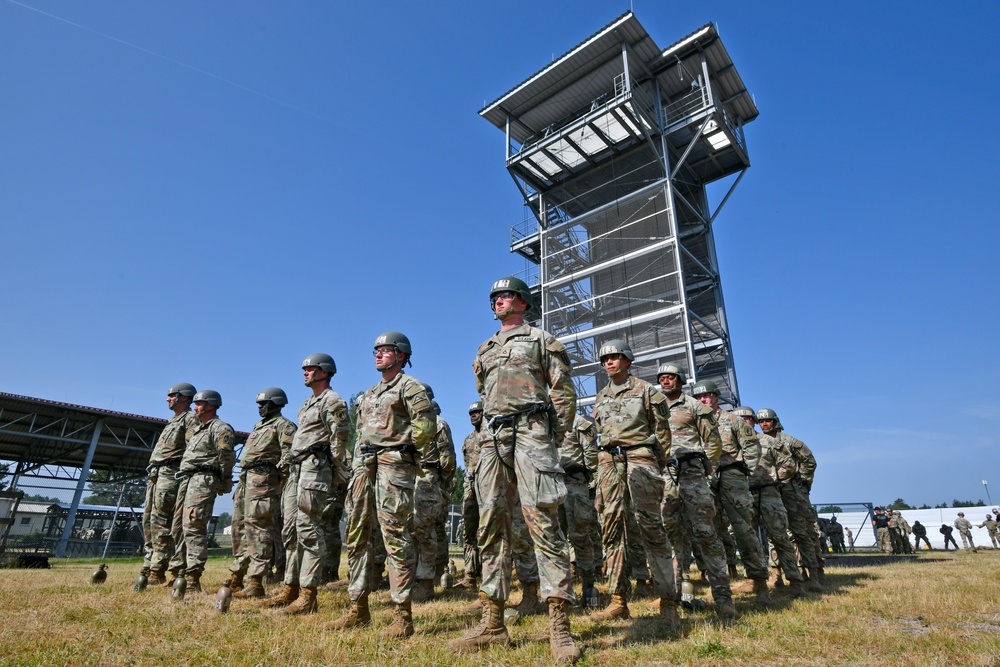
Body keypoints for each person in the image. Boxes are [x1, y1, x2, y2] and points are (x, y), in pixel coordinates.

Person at [450, 277, 581, 664]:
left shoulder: (543, 340)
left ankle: (559, 627)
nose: (498, 301)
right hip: (493, 436)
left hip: (533, 431)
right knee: (490, 525)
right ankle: (493, 624)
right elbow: (483, 389)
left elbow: (563, 392)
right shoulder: (485, 347)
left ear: (523, 302)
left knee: (543, 521)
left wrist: (549, 437)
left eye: (506, 295)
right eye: (494, 297)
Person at [330, 332, 434, 638]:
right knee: (356, 534)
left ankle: (402, 615)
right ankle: (358, 608)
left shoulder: (410, 387)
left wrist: (403, 452)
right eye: (376, 350)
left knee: (395, 538)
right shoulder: (369, 394)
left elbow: (425, 427)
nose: (378, 354)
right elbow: (361, 432)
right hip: (364, 465)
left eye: (385, 350)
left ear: (401, 355)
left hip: (393, 466)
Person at [589, 340, 680, 630]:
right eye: (605, 359)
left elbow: (662, 432)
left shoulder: (647, 391)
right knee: (611, 528)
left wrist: (657, 464)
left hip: (641, 458)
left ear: (627, 360)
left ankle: (668, 602)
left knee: (651, 527)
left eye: (614, 357)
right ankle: (618, 601)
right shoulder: (601, 395)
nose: (609, 362)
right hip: (610, 463)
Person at [261, 354, 350, 615]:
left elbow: (340, 436)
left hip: (315, 468)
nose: (305, 372)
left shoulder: (333, 401)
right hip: (297, 469)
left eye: (310, 368)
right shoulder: (307, 404)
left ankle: (308, 595)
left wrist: (332, 466)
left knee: (309, 528)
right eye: (304, 369)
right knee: (291, 530)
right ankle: (290, 588)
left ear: (325, 372)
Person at [657, 364, 735, 618]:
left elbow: (713, 443)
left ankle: (723, 597)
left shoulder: (695, 407)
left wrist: (706, 471)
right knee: (671, 535)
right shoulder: (654, 407)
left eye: (670, 378)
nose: (666, 382)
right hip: (667, 476)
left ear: (680, 381)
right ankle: (672, 595)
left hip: (693, 474)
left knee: (706, 533)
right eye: (662, 379)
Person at [693, 382, 772, 606]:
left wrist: (744, 470)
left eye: (706, 396)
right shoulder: (695, 423)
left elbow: (751, 447)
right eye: (698, 397)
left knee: (744, 529)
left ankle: (759, 582)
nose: (703, 400)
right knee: (712, 532)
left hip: (731, 475)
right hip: (706, 477)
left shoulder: (732, 420)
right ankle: (719, 585)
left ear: (716, 397)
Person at [227, 388, 296, 599]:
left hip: (264, 481)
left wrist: (275, 480)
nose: (260, 407)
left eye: (263, 403)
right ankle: (237, 577)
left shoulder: (284, 426)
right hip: (247, 479)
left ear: (276, 403)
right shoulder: (258, 427)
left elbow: (289, 457)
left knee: (259, 529)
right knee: (240, 528)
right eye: (258, 404)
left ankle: (257, 582)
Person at [732, 406, 808, 596]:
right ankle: (753, 580)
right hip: (745, 495)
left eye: (747, 419)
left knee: (780, 537)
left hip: (768, 494)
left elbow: (788, 464)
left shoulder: (768, 441)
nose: (743, 422)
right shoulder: (731, 445)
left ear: (753, 422)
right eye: (739, 419)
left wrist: (774, 478)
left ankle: (795, 580)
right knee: (748, 540)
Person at [171, 390, 236, 592]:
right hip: (187, 479)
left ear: (210, 405)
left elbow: (226, 456)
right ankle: (179, 571)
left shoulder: (221, 428)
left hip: (203, 479)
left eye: (198, 403)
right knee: (178, 527)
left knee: (194, 524)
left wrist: (224, 480)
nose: (194, 406)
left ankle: (192, 579)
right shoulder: (198, 430)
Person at [757, 408, 825, 586]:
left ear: (776, 422)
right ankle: (777, 574)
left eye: (768, 421)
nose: (764, 424)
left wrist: (802, 482)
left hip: (792, 492)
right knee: (775, 533)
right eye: (761, 421)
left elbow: (809, 461)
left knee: (801, 532)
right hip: (771, 491)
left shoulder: (791, 442)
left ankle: (814, 573)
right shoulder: (758, 442)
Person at [141, 383, 200, 586]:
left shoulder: (190, 420)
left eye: (171, 396)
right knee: (148, 522)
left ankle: (158, 570)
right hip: (156, 475)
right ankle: (148, 566)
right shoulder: (172, 421)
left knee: (162, 523)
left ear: (183, 397)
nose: (168, 399)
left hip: (170, 474)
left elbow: (193, 448)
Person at [412, 391, 455, 602]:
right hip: (409, 478)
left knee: (426, 530)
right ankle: (412, 579)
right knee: (410, 531)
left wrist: (442, 485)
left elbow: (448, 460)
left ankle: (427, 581)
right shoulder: (408, 422)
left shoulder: (438, 423)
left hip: (429, 479)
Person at [559, 412, 600, 607]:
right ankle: (560, 590)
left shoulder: (579, 423)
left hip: (575, 483)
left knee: (580, 536)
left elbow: (591, 454)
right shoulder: (545, 422)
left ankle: (588, 586)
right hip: (551, 485)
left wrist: (586, 479)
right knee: (554, 539)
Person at [455, 401, 484, 590]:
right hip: (471, 489)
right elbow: (467, 467)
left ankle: (489, 576)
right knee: (469, 533)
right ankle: (470, 575)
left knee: (488, 532)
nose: (473, 416)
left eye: (477, 412)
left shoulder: (491, 436)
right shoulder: (468, 440)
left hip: (489, 488)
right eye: (471, 413)